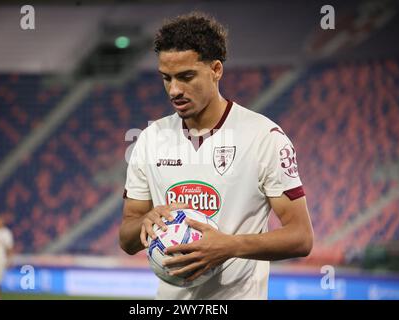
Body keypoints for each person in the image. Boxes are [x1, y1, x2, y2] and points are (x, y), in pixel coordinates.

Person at [119, 12, 313, 299]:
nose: (174, 90)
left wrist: (229, 246)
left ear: (216, 69)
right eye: (166, 78)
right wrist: (145, 221)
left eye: (186, 77)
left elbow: (301, 237)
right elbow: (127, 237)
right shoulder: (150, 139)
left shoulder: (263, 137)